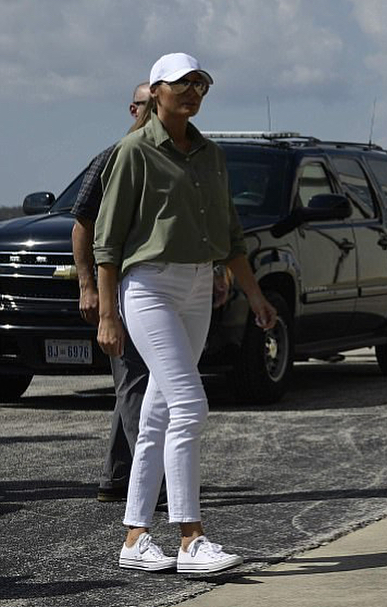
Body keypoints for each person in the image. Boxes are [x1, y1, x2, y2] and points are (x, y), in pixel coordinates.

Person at [94, 52, 277, 573]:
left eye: (200, 84)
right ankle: (191, 538)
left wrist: (255, 295)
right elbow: (107, 241)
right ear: (155, 91)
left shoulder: (211, 155)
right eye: (182, 84)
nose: (193, 92)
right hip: (148, 287)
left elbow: (231, 234)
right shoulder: (132, 152)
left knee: (158, 414)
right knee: (190, 405)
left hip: (199, 286)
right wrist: (107, 313)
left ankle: (134, 538)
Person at [72, 82, 155, 503]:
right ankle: (153, 483)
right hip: (119, 288)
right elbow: (82, 225)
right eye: (148, 104)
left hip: (156, 288)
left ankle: (117, 476)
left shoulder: (166, 159)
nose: (155, 112)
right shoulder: (113, 157)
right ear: (132, 109)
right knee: (136, 382)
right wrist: (88, 286)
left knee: (137, 382)